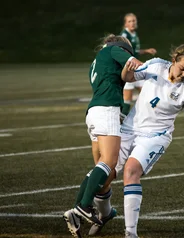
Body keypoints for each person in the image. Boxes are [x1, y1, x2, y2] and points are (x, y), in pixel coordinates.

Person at [89, 39, 184, 238]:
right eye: (182, 69)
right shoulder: (155, 65)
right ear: (174, 60)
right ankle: (104, 214)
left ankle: (130, 233)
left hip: (156, 136)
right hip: (130, 128)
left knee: (131, 171)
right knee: (104, 175)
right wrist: (127, 69)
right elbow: (128, 76)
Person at [62, 33, 142, 238]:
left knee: (100, 169)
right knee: (110, 162)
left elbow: (118, 79)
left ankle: (78, 211)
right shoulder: (114, 50)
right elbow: (135, 64)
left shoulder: (96, 61)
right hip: (106, 110)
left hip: (94, 112)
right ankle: (84, 206)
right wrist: (160, 72)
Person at [120, 13, 157, 116]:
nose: (132, 23)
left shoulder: (134, 34)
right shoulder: (124, 35)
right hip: (128, 69)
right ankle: (120, 122)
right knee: (127, 99)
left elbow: (134, 51)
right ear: (125, 24)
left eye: (134, 21)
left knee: (147, 92)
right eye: (129, 21)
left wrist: (146, 51)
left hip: (136, 70)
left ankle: (147, 116)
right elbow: (122, 52)